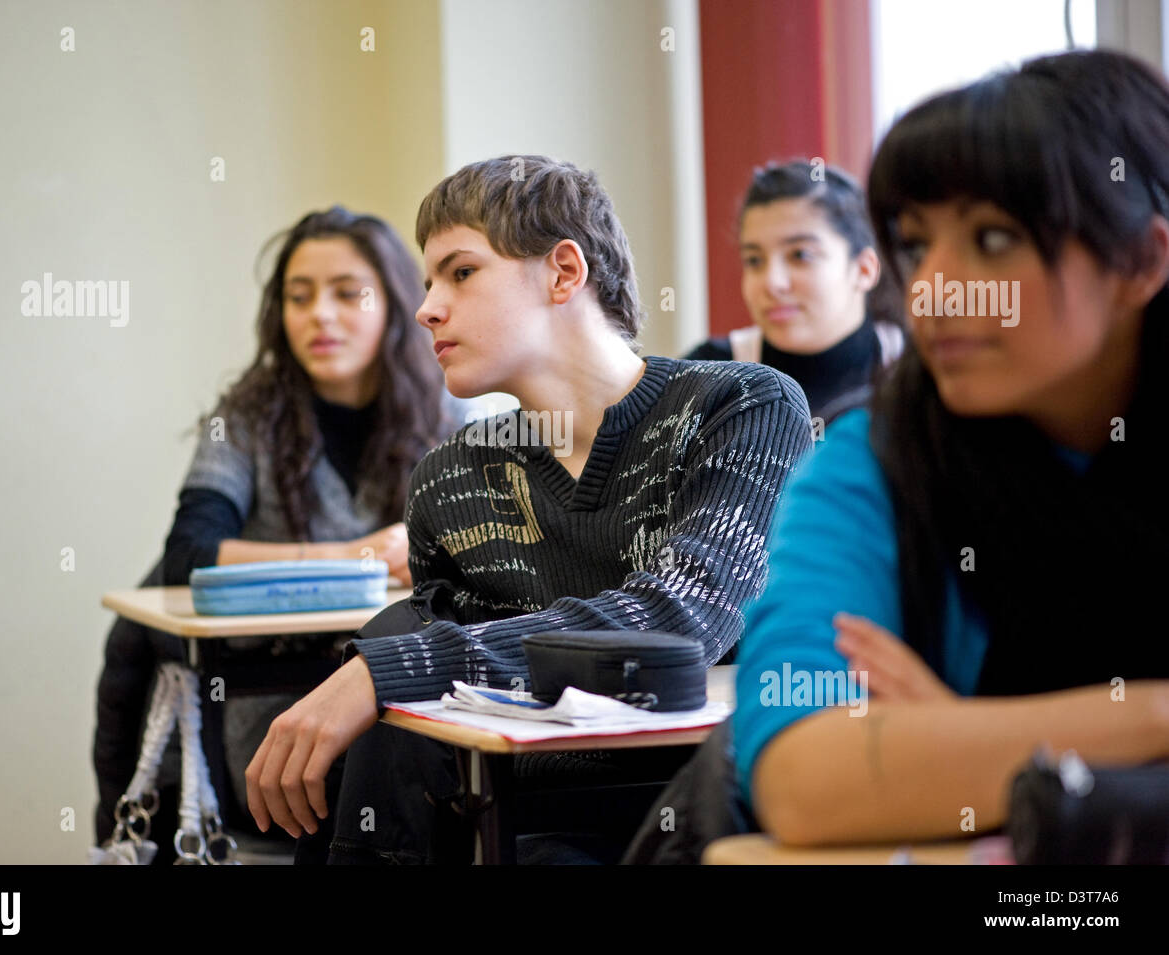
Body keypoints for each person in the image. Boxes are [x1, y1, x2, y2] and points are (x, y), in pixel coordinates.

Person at [245, 155, 815, 864]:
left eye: (461, 272)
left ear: (564, 272)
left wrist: (385, 669)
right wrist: (394, 663)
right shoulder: (449, 476)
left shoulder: (740, 406)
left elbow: (680, 617)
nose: (426, 308)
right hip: (506, 819)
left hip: (684, 822)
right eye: (427, 282)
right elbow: (432, 709)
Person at [729, 49, 1169, 848]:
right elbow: (805, 777)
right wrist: (1153, 714)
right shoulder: (869, 463)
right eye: (916, 241)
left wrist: (964, 738)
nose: (933, 288)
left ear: (1142, 259)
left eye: (994, 238)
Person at [92, 206, 466, 859]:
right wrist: (353, 556)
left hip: (402, 700)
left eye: (348, 293)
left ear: (399, 301)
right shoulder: (248, 419)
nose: (320, 314)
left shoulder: (451, 411)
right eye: (299, 296)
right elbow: (187, 553)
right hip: (267, 718)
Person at [685, 160, 903, 425]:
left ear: (864, 270)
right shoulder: (705, 374)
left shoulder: (918, 367)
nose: (772, 282)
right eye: (754, 260)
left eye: (800, 255)